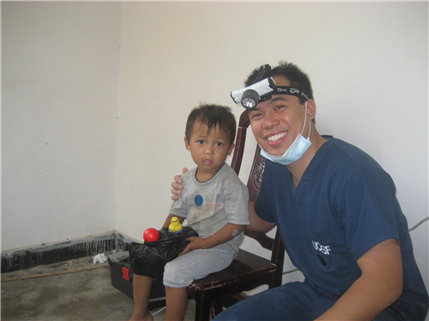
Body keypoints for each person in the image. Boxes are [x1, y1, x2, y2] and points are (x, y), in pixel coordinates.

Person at [171, 62, 428, 320]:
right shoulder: (277, 167)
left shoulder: (352, 174)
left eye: (279, 107)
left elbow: (384, 284)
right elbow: (259, 220)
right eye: (258, 114)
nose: (268, 122)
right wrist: (205, 196)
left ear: (309, 108)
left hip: (385, 308)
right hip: (318, 293)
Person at [130, 103, 250, 321]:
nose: (209, 150)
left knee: (175, 272)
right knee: (145, 255)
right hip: (189, 239)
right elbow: (177, 215)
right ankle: (140, 314)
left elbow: (237, 225)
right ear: (188, 143)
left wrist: (203, 243)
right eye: (201, 141)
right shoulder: (186, 179)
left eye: (219, 143)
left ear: (230, 148)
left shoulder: (230, 183)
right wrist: (162, 237)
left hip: (219, 248)